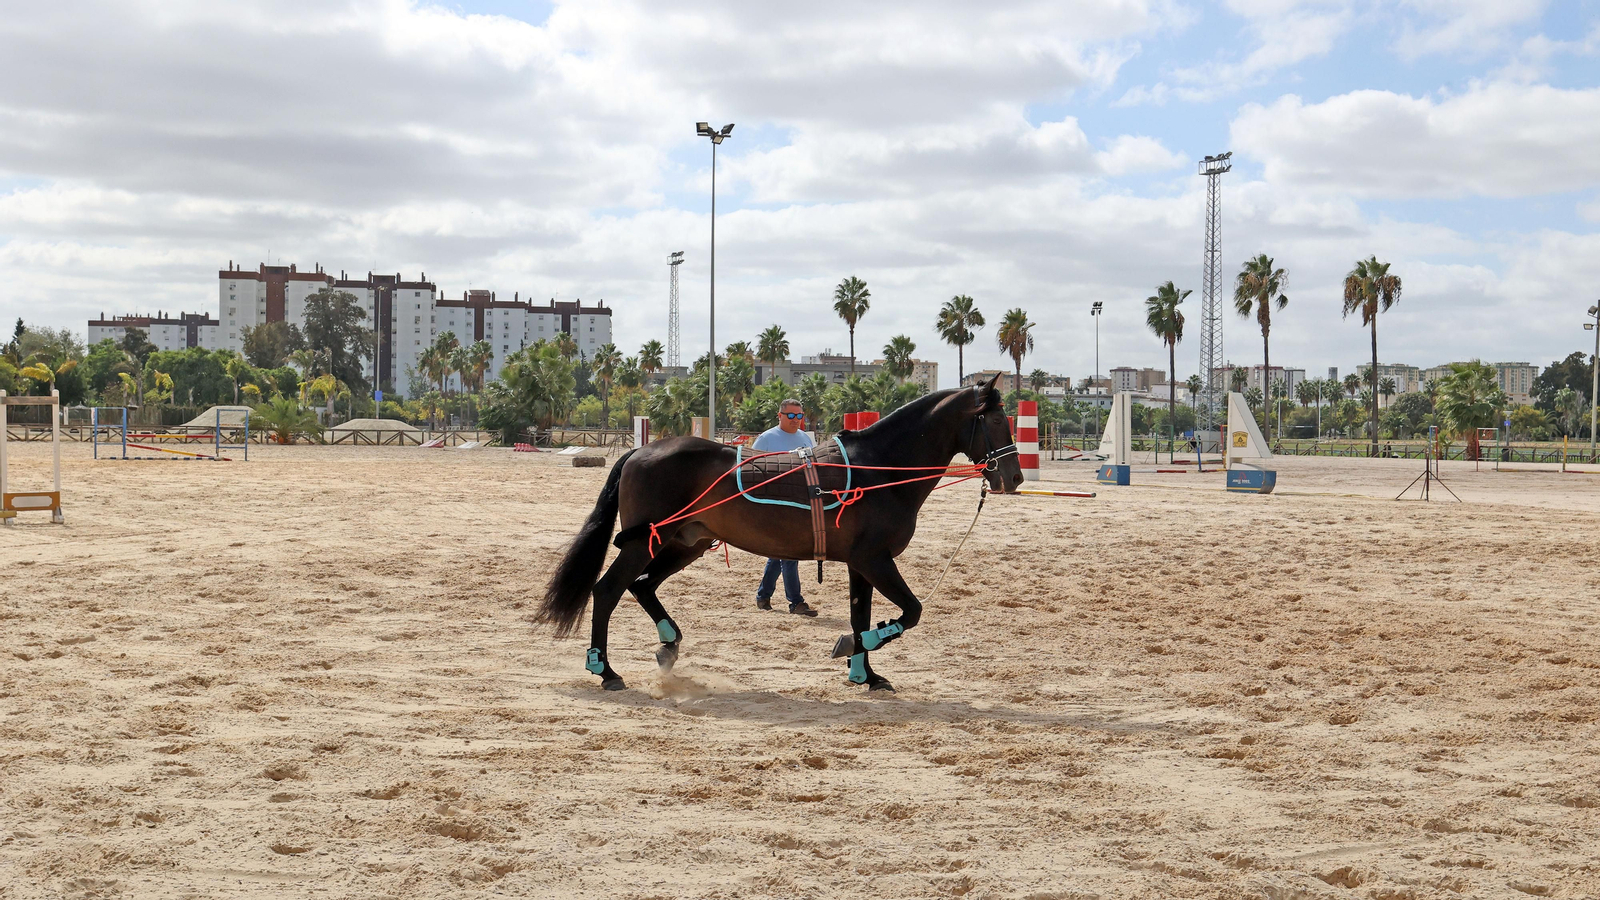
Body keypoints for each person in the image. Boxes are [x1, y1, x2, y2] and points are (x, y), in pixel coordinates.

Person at [752, 399, 817, 616]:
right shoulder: (766, 439)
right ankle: (795, 602)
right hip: (772, 506)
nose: (796, 420)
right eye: (791, 416)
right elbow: (749, 471)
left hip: (799, 505)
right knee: (790, 551)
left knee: (779, 552)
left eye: (799, 416)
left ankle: (763, 596)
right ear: (779, 415)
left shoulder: (806, 439)